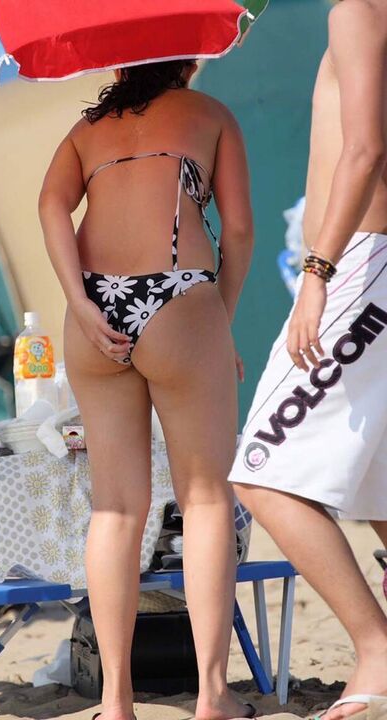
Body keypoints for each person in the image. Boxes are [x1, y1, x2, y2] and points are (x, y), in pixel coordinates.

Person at [39, 60, 254, 720]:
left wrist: (80, 304)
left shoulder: (87, 129)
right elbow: (238, 231)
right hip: (178, 292)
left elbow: (50, 205)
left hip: (95, 306)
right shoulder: (211, 115)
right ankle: (212, 695)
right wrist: (218, 320)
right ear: (187, 58)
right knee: (206, 498)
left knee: (115, 510)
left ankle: (115, 701)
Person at [230, 1, 387, 718]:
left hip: (361, 265)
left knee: (262, 473)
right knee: (379, 480)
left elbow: (364, 149)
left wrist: (318, 272)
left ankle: (376, 647)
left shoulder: (359, 9)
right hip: (368, 259)